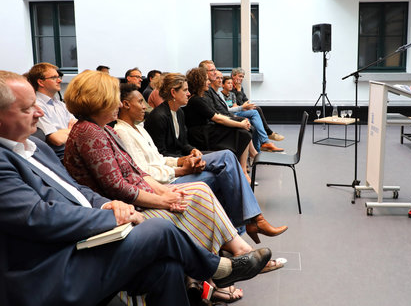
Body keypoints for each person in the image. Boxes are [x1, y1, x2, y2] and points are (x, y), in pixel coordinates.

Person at [0, 71, 270, 306]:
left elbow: (78, 189)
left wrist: (106, 205)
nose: (39, 112)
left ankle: (218, 268)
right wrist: (113, 214)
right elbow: (38, 216)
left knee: (167, 267)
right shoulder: (85, 133)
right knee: (162, 226)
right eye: (27, 108)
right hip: (53, 264)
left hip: (86, 234)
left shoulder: (39, 148)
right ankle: (220, 268)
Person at [117, 81, 287, 244]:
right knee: (224, 165)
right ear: (125, 104)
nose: (145, 106)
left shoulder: (141, 126)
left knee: (228, 158)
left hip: (174, 166)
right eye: (140, 102)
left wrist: (184, 158)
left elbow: (161, 157)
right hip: (166, 182)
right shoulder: (130, 128)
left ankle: (242, 229)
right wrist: (182, 169)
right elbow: (143, 172)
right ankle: (246, 225)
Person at [183, 67, 253, 180]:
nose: (209, 82)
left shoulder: (201, 98)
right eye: (206, 80)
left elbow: (216, 115)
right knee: (243, 133)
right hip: (201, 135)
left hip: (206, 130)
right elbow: (217, 119)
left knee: (243, 130)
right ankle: (243, 171)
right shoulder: (196, 100)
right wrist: (240, 124)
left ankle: (242, 169)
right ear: (199, 82)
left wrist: (239, 122)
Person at [218, 72, 283, 152]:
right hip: (231, 114)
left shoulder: (232, 94)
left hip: (237, 111)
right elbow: (229, 109)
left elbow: (241, 101)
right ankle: (265, 140)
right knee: (255, 112)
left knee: (255, 118)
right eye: (228, 83)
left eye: (231, 83)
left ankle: (259, 150)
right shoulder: (221, 94)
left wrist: (244, 106)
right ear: (223, 85)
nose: (231, 85)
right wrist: (242, 106)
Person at [26, 62, 76, 159]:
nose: (59, 80)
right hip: (60, 157)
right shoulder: (36, 106)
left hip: (72, 151)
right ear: (41, 82)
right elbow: (57, 139)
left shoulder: (60, 104)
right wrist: (71, 130)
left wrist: (65, 132)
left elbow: (78, 128)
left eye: (59, 77)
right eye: (54, 78)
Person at [231, 67, 285, 142]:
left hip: (242, 109)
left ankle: (265, 139)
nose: (241, 78)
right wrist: (239, 91)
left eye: (242, 77)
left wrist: (248, 105)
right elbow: (238, 104)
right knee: (256, 110)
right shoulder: (230, 87)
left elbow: (245, 99)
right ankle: (268, 134)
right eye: (240, 76)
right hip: (234, 112)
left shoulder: (239, 86)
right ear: (233, 76)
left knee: (256, 109)